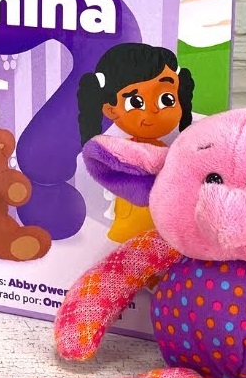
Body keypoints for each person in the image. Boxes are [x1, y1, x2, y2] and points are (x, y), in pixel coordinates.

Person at [77, 43, 195, 243]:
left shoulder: (174, 151)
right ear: (110, 109)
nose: (154, 110)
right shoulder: (119, 151)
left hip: (166, 232)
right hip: (131, 228)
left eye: (167, 99)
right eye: (136, 103)